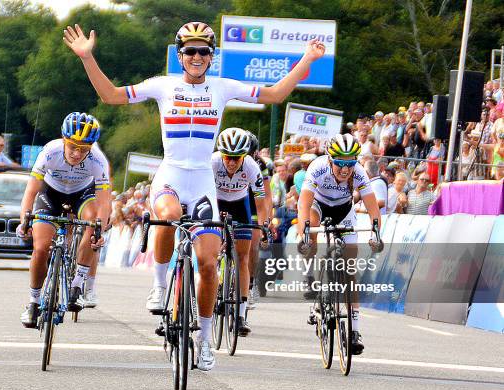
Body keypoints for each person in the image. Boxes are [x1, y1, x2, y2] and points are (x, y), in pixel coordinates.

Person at [64, 21, 325, 371]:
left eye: (204, 51)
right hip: (170, 176)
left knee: (208, 263)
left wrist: (306, 60)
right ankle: (158, 288)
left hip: (202, 181)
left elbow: (275, 94)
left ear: (212, 55)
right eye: (190, 51)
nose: (197, 56)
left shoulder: (222, 87)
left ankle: (203, 340)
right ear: (180, 55)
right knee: (169, 217)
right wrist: (86, 58)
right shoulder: (162, 85)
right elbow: (110, 95)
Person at [17, 112, 112, 328]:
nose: (77, 153)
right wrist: (24, 220)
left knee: (93, 222)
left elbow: (104, 202)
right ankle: (33, 301)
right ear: (63, 140)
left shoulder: (98, 160)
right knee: (40, 247)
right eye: (72, 147)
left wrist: (100, 231)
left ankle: (77, 284)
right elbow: (30, 192)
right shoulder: (50, 152)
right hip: (51, 193)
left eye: (84, 149)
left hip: (82, 194)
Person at [298, 134, 381, 355]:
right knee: (311, 233)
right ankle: (312, 278)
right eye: (340, 164)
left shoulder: (360, 173)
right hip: (318, 207)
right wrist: (304, 235)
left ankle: (355, 331)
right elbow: (303, 205)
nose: (345, 170)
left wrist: (376, 233)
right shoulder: (317, 168)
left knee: (350, 269)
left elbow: (373, 209)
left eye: (350, 164)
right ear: (329, 160)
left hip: (344, 212)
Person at [212, 128, 267, 335]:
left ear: (244, 156)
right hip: (216, 202)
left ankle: (241, 315)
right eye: (228, 157)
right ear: (222, 154)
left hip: (239, 204)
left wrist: (260, 226)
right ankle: (216, 277)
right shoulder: (213, 162)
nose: (232, 162)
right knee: (211, 249)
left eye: (237, 158)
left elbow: (260, 203)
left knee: (243, 258)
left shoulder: (252, 167)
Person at [246, 131, 273, 309]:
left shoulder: (260, 164)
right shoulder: (225, 160)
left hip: (253, 201)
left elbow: (267, 196)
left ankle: (250, 283)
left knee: (253, 244)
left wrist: (266, 222)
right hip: (229, 199)